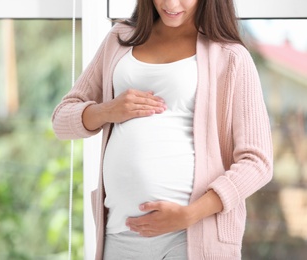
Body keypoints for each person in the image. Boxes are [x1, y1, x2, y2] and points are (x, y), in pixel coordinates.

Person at [52, 0, 273, 259]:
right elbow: (61, 120)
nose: (170, 4)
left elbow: (257, 162)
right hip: (119, 234)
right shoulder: (120, 39)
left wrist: (189, 215)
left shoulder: (230, 56)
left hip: (190, 236)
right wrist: (108, 110)